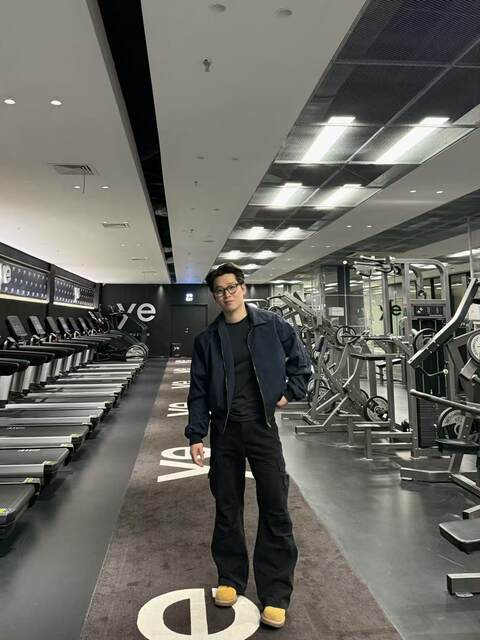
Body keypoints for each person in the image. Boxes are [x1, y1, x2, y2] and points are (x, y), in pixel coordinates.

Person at [185, 262, 311, 629]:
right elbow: (198, 390)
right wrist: (196, 434)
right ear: (215, 296)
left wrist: (289, 393)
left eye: (231, 287)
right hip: (225, 431)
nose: (226, 294)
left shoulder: (273, 326)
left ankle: (275, 594)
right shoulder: (207, 339)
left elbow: (301, 363)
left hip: (262, 428)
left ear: (243, 287)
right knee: (227, 506)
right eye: (219, 290)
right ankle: (230, 578)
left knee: (275, 506)